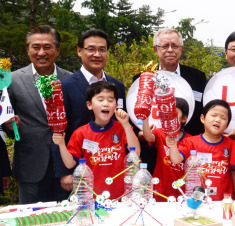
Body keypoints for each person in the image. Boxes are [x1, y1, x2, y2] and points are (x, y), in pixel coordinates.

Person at [3, 25, 71, 204]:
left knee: (66, 220)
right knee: (30, 222)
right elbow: (6, 118)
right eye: (36, 47)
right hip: (30, 166)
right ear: (27, 50)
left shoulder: (70, 79)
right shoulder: (13, 80)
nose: (41, 52)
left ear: (57, 50)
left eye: (47, 47)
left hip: (66, 166)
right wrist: (10, 126)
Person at [55, 29, 126, 193]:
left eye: (102, 49)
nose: (97, 54)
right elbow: (58, 130)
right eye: (91, 49)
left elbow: (122, 122)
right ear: (79, 51)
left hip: (111, 169)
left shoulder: (118, 86)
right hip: (79, 168)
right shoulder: (65, 86)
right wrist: (65, 172)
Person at [52, 81, 140, 200]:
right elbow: (70, 164)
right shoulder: (80, 133)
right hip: (92, 197)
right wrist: (61, 144)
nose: (106, 104)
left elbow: (136, 151)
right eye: (100, 99)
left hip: (121, 196)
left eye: (110, 100)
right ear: (89, 105)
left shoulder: (122, 128)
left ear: (116, 105)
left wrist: (125, 124)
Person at [150, 28, 207, 137]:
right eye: (165, 46)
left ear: (181, 49)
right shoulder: (143, 78)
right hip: (153, 143)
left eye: (174, 46)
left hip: (189, 145)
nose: (170, 50)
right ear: (156, 50)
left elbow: (202, 113)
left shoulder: (197, 77)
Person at [179, 99, 235, 201]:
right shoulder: (190, 142)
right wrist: (172, 144)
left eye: (223, 118)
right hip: (196, 201)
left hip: (224, 201)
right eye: (213, 115)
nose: (217, 120)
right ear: (202, 118)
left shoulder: (231, 145)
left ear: (227, 125)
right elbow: (176, 159)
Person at [140, 97, 190, 201]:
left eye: (174, 114)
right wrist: (145, 118)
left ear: (184, 118)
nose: (170, 117)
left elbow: (177, 160)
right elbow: (148, 137)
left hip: (181, 193)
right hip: (160, 191)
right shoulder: (160, 133)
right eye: (166, 114)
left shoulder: (189, 140)